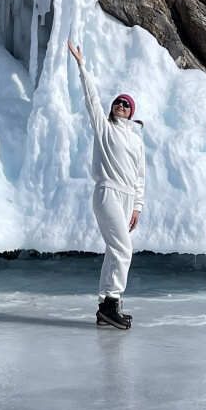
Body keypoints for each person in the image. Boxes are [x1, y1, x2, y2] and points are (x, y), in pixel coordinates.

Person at [66, 39, 145, 330]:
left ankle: (106, 308)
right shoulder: (105, 129)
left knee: (115, 249)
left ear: (131, 112)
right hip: (107, 191)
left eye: (126, 104)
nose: (120, 105)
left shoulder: (136, 141)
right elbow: (91, 99)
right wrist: (81, 65)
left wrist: (137, 206)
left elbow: (140, 176)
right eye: (118, 102)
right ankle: (111, 301)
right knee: (124, 249)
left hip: (126, 198)